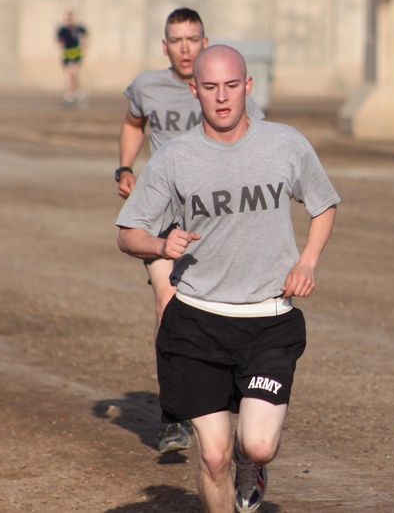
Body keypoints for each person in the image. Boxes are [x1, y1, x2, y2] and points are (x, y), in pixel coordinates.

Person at [116, 45, 338, 513]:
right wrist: (160, 245)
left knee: (255, 444)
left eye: (232, 86)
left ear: (248, 87)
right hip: (197, 322)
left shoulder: (285, 143)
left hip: (269, 321)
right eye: (211, 87)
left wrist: (307, 262)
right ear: (193, 90)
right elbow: (128, 232)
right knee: (212, 456)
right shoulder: (175, 158)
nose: (222, 98)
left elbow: (323, 204)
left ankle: (251, 463)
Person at [116, 7, 265, 455]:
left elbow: (260, 136)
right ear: (165, 46)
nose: (185, 47)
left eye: (192, 39)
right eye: (176, 40)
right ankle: (172, 414)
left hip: (216, 223)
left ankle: (225, 397)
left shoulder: (223, 89)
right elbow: (132, 123)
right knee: (168, 304)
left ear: (204, 42)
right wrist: (126, 165)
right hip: (167, 221)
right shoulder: (147, 86)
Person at [56, 10, 87, 105]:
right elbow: (60, 42)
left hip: (75, 53)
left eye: (71, 19)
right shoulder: (63, 30)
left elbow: (84, 37)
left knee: (71, 73)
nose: (69, 21)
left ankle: (70, 94)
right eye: (67, 19)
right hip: (67, 54)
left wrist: (84, 47)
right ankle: (77, 92)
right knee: (70, 75)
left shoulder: (78, 29)